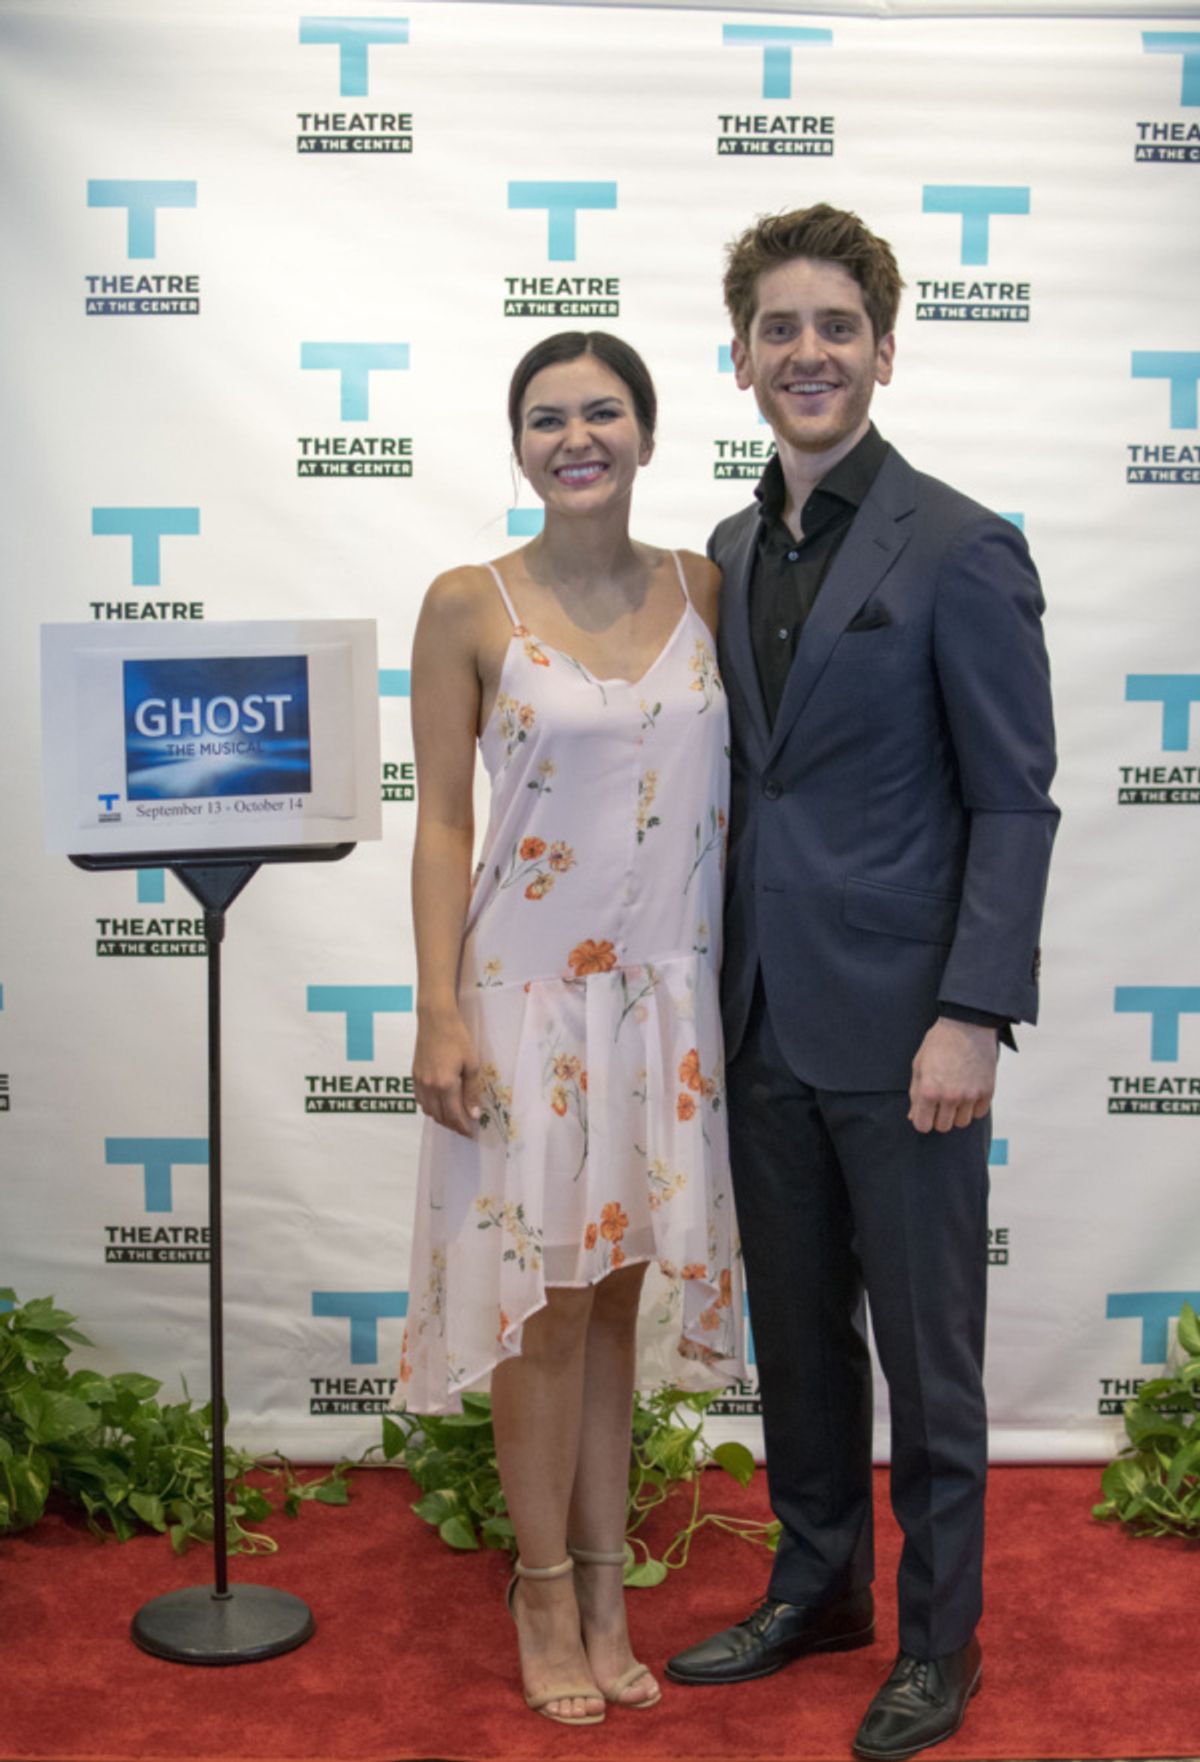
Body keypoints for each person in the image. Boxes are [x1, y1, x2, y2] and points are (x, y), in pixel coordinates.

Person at [664, 206, 1058, 1761]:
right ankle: (817, 1585)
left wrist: (974, 1010)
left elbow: (1014, 798)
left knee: (926, 1353)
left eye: (837, 326)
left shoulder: (963, 546)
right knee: (800, 1346)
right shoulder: (732, 548)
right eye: (779, 327)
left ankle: (939, 1640)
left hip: (910, 1036)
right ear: (744, 356)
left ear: (883, 351)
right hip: (760, 1017)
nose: (807, 352)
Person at [399, 331, 743, 1727]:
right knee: (538, 1313)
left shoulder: (704, 586)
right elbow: (438, 817)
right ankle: (540, 1586)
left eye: (604, 411)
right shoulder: (468, 602)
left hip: (665, 1003)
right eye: (548, 417)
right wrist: (437, 1008)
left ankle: (606, 1586)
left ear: (649, 435)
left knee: (615, 1307)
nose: (576, 434)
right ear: (520, 444)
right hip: (522, 1004)